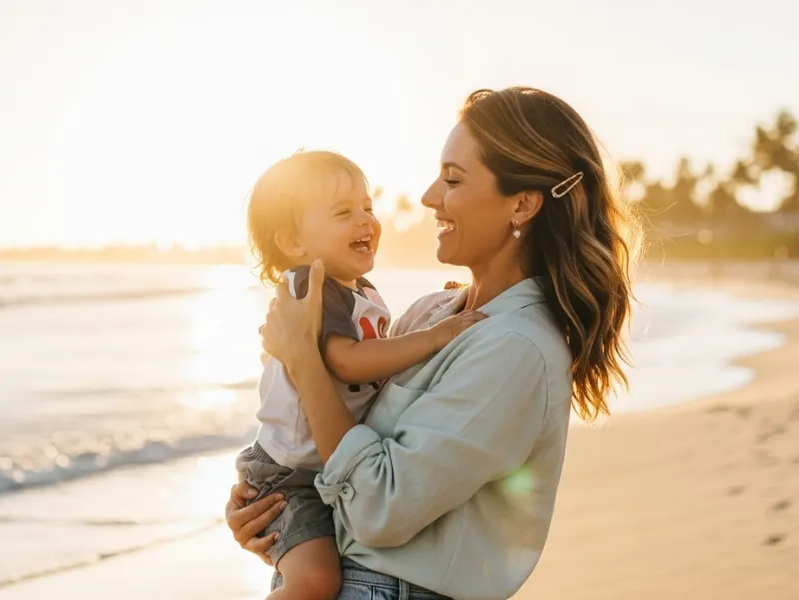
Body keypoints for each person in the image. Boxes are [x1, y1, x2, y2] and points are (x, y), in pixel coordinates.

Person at [227, 87, 640, 600]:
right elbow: (344, 431)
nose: (428, 197)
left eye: (453, 179)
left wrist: (303, 360)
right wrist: (277, 519)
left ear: (522, 204)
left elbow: (379, 509)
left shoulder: (517, 349)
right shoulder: (432, 313)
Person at [239, 150, 485, 600]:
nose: (365, 221)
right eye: (342, 213)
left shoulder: (358, 289)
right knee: (315, 582)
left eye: (367, 208)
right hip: (290, 476)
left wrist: (445, 306)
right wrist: (435, 336)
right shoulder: (310, 287)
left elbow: (380, 352)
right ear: (292, 242)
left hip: (325, 466)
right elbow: (348, 362)